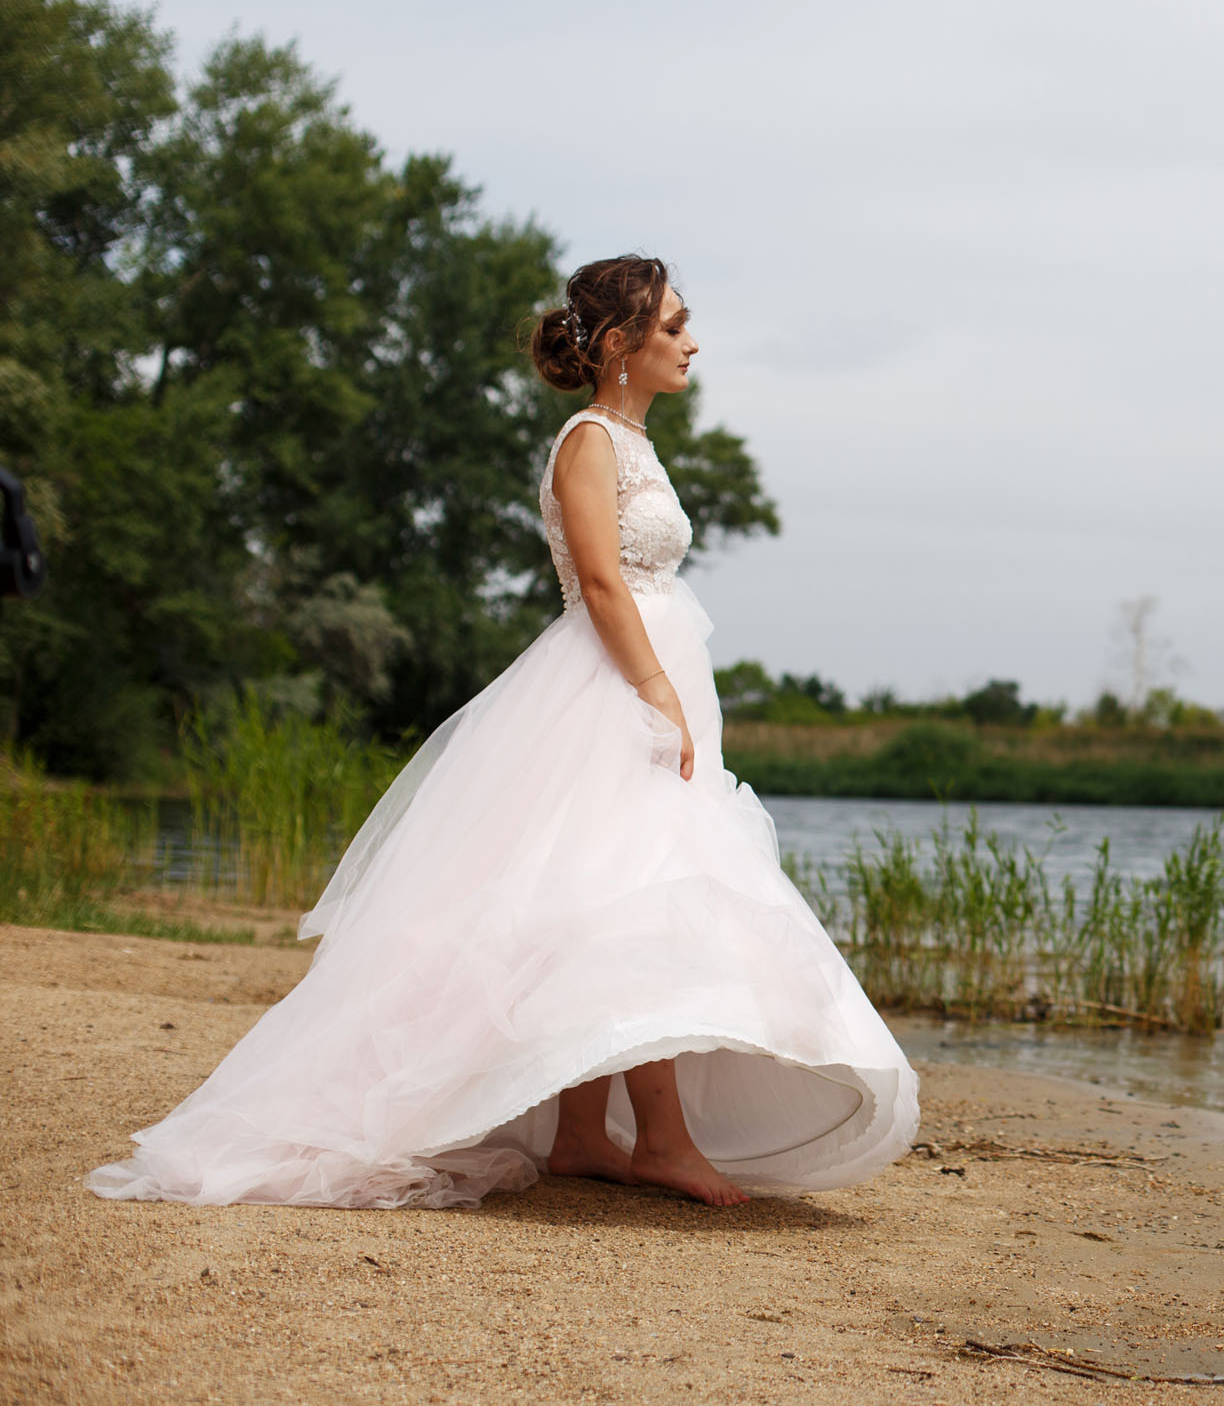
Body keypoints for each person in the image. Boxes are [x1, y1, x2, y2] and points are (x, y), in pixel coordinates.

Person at [88, 255, 915, 1210]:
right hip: (611, 687)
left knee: (597, 895)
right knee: (636, 894)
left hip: (648, 675)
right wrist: (655, 689)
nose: (693, 342)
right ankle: (662, 1139)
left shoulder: (634, 444)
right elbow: (602, 582)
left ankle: (578, 1134)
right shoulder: (588, 442)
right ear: (619, 346)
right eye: (674, 325)